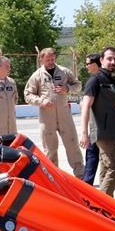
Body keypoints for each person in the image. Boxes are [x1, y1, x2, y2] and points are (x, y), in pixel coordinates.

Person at [23, 47, 83, 177]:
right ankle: (53, 177)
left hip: (65, 116)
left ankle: (80, 175)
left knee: (73, 146)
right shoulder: (37, 76)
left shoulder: (64, 72)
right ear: (41, 59)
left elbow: (77, 85)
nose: (50, 61)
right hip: (47, 118)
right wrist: (41, 101)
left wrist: (67, 88)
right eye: (47, 59)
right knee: (50, 150)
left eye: (52, 58)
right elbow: (27, 95)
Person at [79, 47, 115, 197]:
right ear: (101, 60)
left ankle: (105, 207)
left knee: (106, 169)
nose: (113, 61)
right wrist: (84, 133)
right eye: (109, 58)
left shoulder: (113, 78)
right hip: (103, 133)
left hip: (112, 132)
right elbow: (85, 106)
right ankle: (102, 203)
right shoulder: (95, 80)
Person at [80, 53, 103, 184]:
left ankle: (87, 182)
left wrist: (84, 133)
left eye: (88, 63)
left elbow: (87, 106)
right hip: (106, 125)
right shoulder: (107, 78)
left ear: (96, 64)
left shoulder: (94, 80)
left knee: (92, 153)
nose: (86, 66)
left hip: (97, 126)